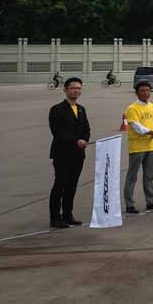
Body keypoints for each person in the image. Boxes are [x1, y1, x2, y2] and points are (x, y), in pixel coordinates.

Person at [48, 77, 91, 228]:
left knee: (72, 185)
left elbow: (86, 129)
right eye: (73, 88)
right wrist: (76, 141)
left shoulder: (81, 109)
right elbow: (58, 132)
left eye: (79, 88)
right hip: (62, 153)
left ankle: (67, 214)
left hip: (78, 154)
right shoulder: (57, 109)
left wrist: (84, 139)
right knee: (60, 185)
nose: (76, 91)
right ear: (65, 90)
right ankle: (55, 217)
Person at [124, 81, 153, 213]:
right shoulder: (132, 108)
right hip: (137, 147)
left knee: (149, 175)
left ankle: (151, 201)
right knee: (132, 176)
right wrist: (152, 132)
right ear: (137, 93)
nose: (145, 93)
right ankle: (129, 204)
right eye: (142, 91)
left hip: (150, 145)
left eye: (148, 90)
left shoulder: (152, 106)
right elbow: (136, 126)